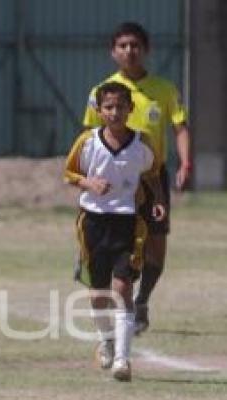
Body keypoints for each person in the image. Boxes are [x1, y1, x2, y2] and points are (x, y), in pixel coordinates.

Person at [82, 21, 191, 335]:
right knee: (113, 245)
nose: (130, 51)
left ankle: (142, 300)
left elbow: (180, 127)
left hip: (153, 180)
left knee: (157, 246)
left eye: (135, 45)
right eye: (123, 46)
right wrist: (88, 178)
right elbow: (88, 136)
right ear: (113, 52)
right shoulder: (102, 92)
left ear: (146, 50)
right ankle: (115, 293)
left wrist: (185, 162)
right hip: (114, 183)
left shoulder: (164, 89)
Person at [66, 82, 165, 381]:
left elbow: (152, 173)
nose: (114, 112)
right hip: (93, 223)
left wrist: (158, 199)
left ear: (130, 109)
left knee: (122, 289)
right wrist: (90, 183)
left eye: (120, 107)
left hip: (127, 223)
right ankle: (106, 340)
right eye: (108, 107)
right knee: (98, 293)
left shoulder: (141, 144)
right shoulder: (88, 141)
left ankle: (123, 360)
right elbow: (69, 173)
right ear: (98, 110)